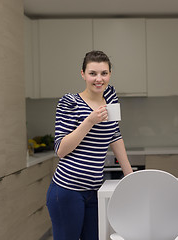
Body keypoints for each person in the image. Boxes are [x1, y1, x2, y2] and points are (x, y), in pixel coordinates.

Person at [46, 50, 133, 240]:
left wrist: (131, 178)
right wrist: (89, 121)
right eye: (93, 73)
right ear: (83, 74)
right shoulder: (70, 102)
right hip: (67, 190)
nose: (98, 79)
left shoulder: (110, 96)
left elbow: (115, 136)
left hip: (95, 190)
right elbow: (61, 150)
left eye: (104, 73)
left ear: (110, 74)